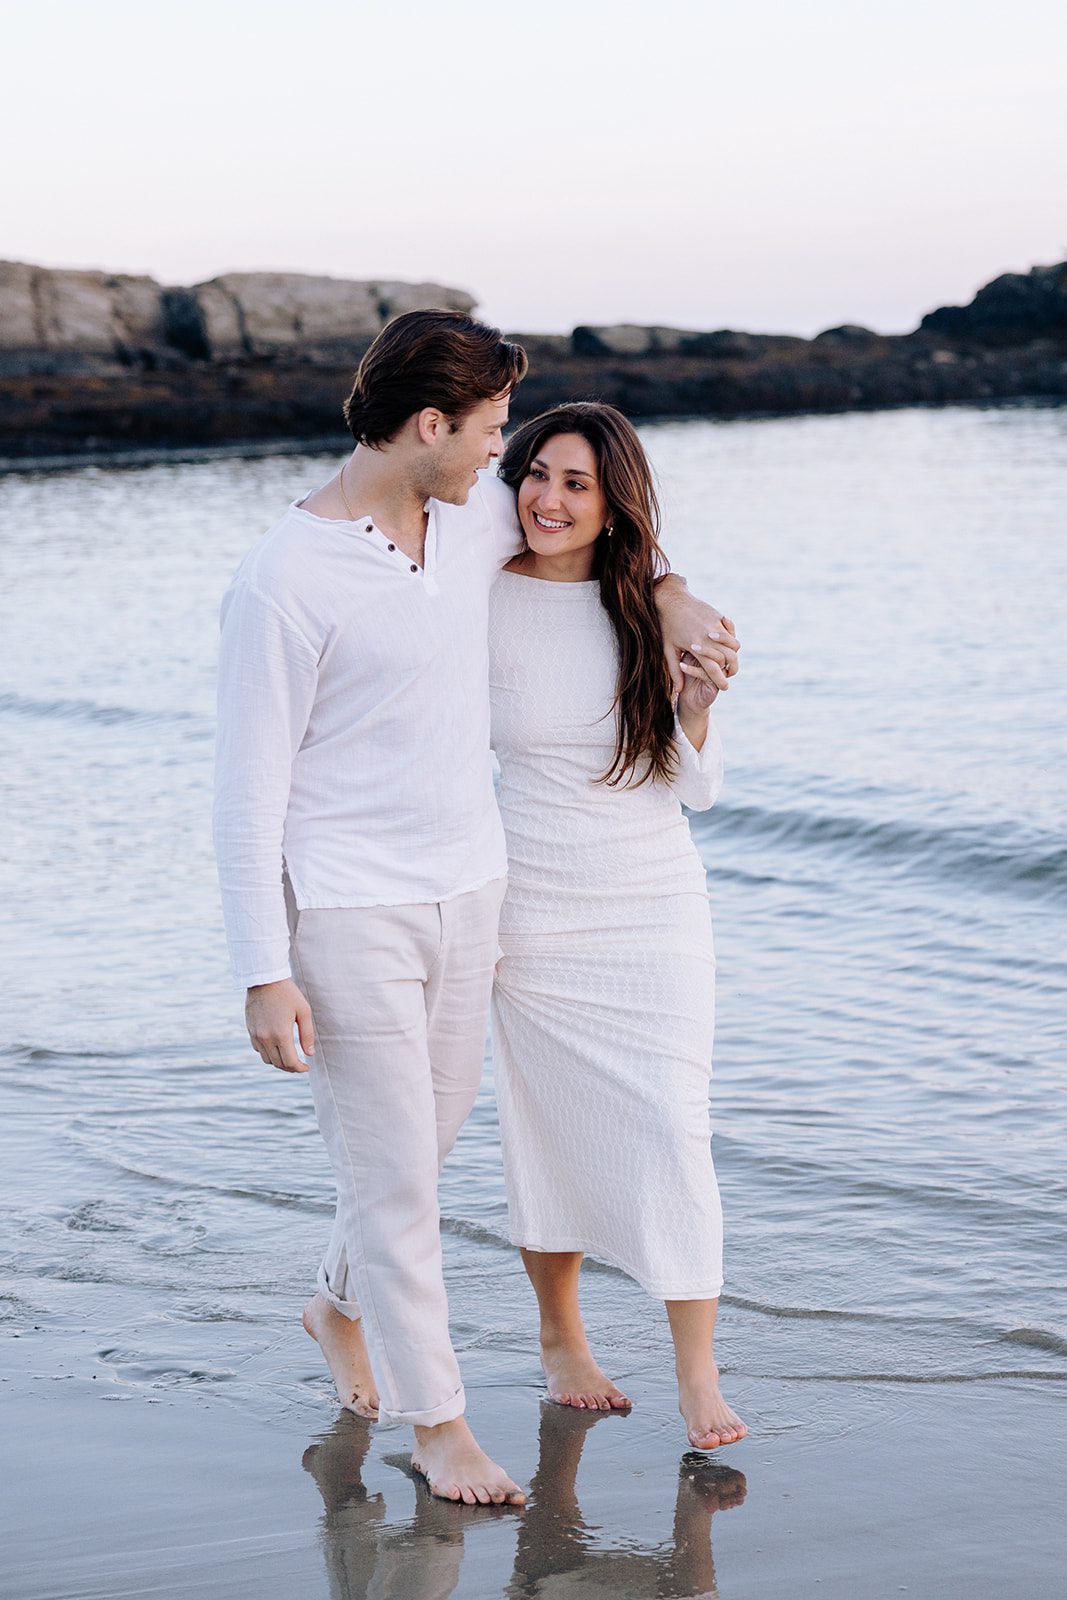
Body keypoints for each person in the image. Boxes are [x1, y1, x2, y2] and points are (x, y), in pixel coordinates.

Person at [213, 314, 740, 1506]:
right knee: (400, 1180)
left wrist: (670, 601)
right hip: (348, 912)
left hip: (476, 894)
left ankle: (333, 1305)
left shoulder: (468, 521)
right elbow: (244, 796)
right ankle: (438, 1422)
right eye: (497, 430)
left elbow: (616, 538)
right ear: (431, 425)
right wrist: (261, 967)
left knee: (418, 1153)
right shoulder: (282, 581)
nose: (511, 459)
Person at [490, 402, 747, 1451]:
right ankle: (562, 1339)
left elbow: (690, 787)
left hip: (650, 903)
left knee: (672, 1128)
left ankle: (697, 1375)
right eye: (535, 473)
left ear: (611, 504)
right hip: (527, 903)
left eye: (576, 484)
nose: (547, 498)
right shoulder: (472, 593)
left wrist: (695, 706)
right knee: (541, 1133)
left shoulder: (644, 606)